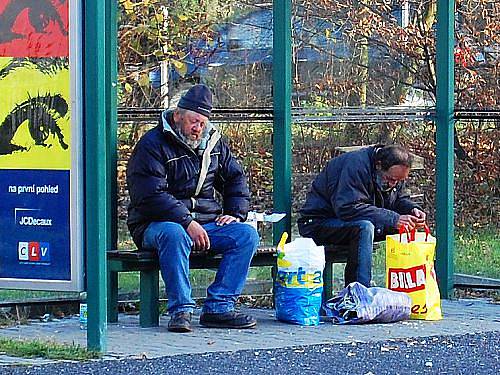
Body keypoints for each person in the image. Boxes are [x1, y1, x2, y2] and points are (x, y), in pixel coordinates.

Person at [127, 84, 259, 333]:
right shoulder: (152, 145)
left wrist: (235, 212)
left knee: (245, 235)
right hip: (154, 224)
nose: (198, 128)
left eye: (202, 123)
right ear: (177, 116)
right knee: (174, 234)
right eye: (193, 121)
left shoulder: (215, 144)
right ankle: (181, 310)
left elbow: (235, 179)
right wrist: (187, 222)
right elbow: (150, 195)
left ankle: (219, 307)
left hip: (203, 223)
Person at [298, 144, 426, 288]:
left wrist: (412, 210)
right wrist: (393, 219)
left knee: (405, 226)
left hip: (350, 222)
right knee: (364, 228)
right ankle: (358, 293)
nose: (393, 184)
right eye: (390, 179)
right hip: (319, 223)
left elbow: (399, 199)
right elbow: (348, 208)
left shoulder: (391, 172)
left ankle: (407, 288)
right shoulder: (356, 165)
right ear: (379, 165)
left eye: (398, 181)